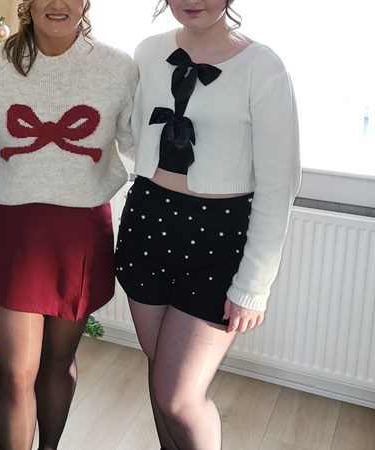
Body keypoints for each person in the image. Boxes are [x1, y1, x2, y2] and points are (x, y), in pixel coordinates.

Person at [114, 1, 301, 448]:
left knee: (178, 396)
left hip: (218, 237)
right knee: (160, 372)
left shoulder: (263, 67)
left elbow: (279, 185)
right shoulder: (148, 51)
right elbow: (133, 135)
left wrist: (254, 284)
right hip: (148, 222)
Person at [0, 1, 138, 448]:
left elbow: (141, 145)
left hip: (80, 232)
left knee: (58, 361)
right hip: (13, 230)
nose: (57, 4)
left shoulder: (118, 68)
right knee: (16, 371)